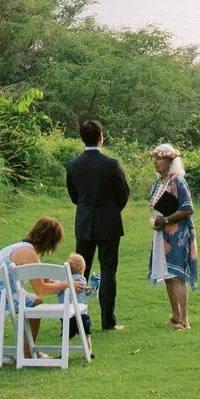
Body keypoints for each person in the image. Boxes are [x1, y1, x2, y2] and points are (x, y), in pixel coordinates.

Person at [0, 216, 86, 359]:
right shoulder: (29, 253)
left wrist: (62, 283)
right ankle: (27, 352)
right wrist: (68, 284)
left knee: (33, 302)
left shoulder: (25, 248)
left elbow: (46, 280)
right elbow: (41, 289)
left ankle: (28, 349)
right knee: (35, 302)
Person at [64, 119, 130, 332]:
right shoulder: (112, 164)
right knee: (109, 271)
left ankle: (76, 319)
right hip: (109, 223)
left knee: (79, 273)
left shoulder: (74, 165)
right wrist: (111, 210)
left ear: (82, 138)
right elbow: (123, 194)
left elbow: (74, 196)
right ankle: (108, 322)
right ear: (101, 136)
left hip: (84, 223)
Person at [145, 143, 196, 329]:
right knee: (167, 275)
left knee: (177, 275)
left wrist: (166, 220)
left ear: (170, 161)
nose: (156, 162)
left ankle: (184, 319)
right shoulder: (158, 182)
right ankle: (175, 315)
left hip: (176, 235)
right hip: (161, 234)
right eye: (155, 158)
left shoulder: (177, 181)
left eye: (159, 159)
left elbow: (188, 208)